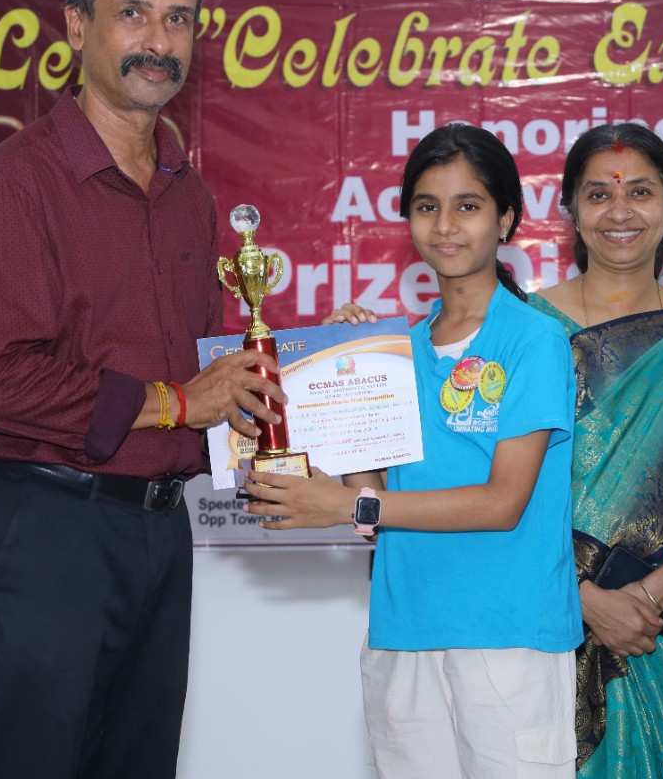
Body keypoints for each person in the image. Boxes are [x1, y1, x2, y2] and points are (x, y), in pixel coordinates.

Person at [0, 0, 285, 779]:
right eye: (133, 13)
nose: (158, 42)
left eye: (178, 18)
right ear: (76, 25)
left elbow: (207, 377)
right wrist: (178, 401)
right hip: (44, 530)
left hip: (159, 534)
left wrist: (286, 392)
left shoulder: (188, 196)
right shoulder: (15, 186)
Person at [244, 124, 582, 779]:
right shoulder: (399, 351)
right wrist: (345, 380)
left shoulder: (533, 340)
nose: (445, 226)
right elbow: (372, 501)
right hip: (404, 629)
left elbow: (502, 502)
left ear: (505, 218)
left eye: (468, 206)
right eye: (427, 206)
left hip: (509, 634)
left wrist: (349, 506)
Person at [527, 123, 663, 778]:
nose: (620, 212)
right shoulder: (522, 332)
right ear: (570, 211)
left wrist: (649, 595)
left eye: (640, 192)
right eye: (598, 195)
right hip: (539, 619)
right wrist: (584, 600)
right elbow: (487, 489)